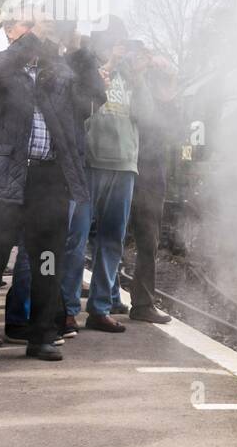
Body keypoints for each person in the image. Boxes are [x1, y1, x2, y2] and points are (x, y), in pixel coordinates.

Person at [0, 8, 101, 363]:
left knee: (47, 260)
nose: (47, 32)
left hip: (48, 179)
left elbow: (92, 98)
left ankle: (41, 336)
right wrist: (34, 40)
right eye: (38, 26)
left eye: (49, 27)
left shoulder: (58, 73)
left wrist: (81, 51)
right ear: (12, 31)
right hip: (1, 177)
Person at [59, 17, 145, 335]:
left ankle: (100, 308)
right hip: (90, 163)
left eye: (121, 41)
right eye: (112, 40)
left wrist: (140, 77)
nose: (118, 46)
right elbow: (77, 109)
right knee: (76, 239)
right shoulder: (86, 70)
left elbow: (148, 115)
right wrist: (106, 65)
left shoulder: (132, 76)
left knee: (112, 240)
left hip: (125, 164)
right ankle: (67, 309)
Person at [126, 43, 177, 324]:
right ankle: (108, 297)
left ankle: (143, 302)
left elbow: (173, 130)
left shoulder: (163, 96)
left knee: (148, 240)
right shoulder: (131, 85)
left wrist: (170, 87)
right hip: (126, 165)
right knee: (108, 237)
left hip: (150, 171)